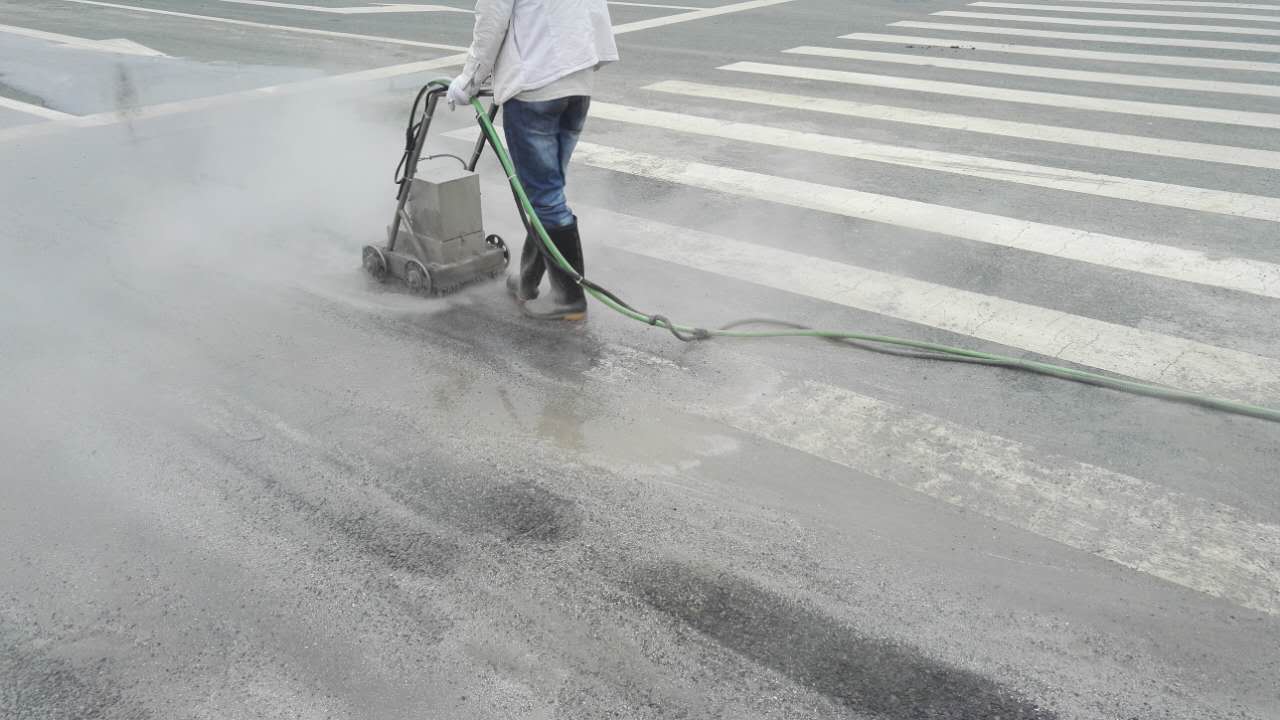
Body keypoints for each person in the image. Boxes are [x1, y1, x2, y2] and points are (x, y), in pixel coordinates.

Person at [448, 0, 619, 321]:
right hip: (578, 85)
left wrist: (466, 82)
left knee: (545, 196)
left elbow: (490, 21)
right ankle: (526, 281)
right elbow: (594, 12)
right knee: (545, 193)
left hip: (536, 88)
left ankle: (570, 300)